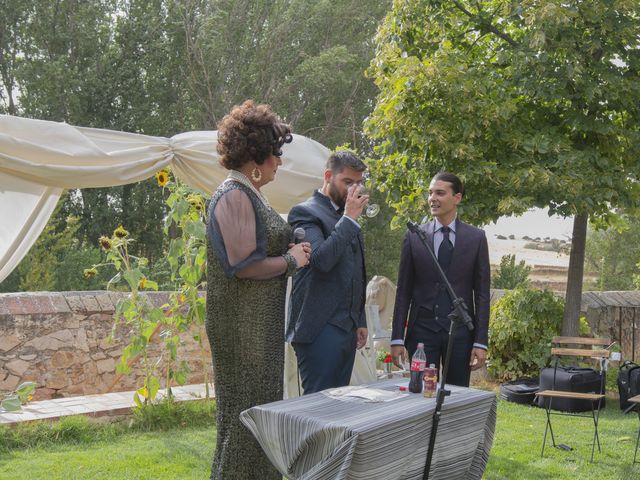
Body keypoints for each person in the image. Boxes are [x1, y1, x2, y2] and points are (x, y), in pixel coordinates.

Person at [206, 100, 311, 480]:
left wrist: (289, 248)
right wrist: (292, 261)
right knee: (244, 420)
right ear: (257, 156)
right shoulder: (234, 194)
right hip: (240, 326)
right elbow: (242, 265)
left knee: (262, 417)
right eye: (276, 155)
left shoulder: (250, 192)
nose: (279, 163)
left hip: (260, 327)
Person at [390, 172, 490, 387]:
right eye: (430, 193)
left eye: (440, 193)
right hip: (422, 332)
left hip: (461, 333)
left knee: (457, 396)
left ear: (457, 198)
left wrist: (481, 342)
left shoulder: (476, 238)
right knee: (420, 393)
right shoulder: (414, 236)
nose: (432, 198)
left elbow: (482, 294)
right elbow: (403, 290)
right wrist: (397, 337)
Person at [286, 150, 369, 394]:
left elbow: (355, 272)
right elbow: (321, 260)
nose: (355, 189)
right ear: (328, 176)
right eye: (348, 182)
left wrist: (360, 319)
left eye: (358, 183)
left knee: (338, 407)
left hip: (347, 328)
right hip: (319, 328)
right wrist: (350, 219)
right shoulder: (305, 212)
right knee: (318, 409)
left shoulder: (346, 217)